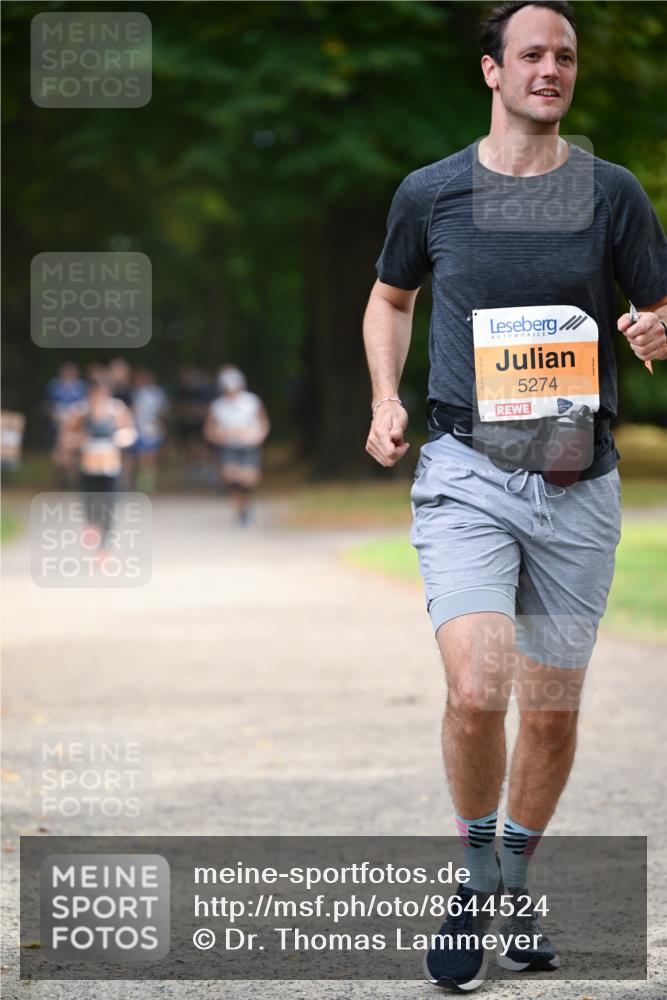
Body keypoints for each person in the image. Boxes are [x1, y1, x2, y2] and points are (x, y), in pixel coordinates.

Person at [364, 1, 667, 991]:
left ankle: (511, 874)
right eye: (532, 53)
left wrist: (658, 331)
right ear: (491, 71)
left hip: (578, 481)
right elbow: (389, 298)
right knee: (476, 689)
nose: (551, 68)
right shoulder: (432, 192)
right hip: (465, 470)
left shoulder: (612, 194)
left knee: (546, 712)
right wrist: (382, 396)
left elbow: (657, 307)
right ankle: (472, 879)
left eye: (566, 56)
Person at [65, 378, 136, 559]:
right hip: (88, 466)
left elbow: (130, 432)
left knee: (109, 507)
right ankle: (92, 525)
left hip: (110, 467)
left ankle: (104, 549)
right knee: (89, 504)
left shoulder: (116, 410)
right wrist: (79, 440)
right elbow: (66, 437)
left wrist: (121, 438)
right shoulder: (80, 411)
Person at [203, 365, 270, 525]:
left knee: (249, 479)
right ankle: (238, 512)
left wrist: (258, 436)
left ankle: (246, 506)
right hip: (229, 446)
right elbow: (209, 429)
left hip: (249, 445)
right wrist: (221, 437)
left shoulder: (252, 401)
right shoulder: (217, 406)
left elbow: (263, 422)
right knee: (232, 477)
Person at [44, 362, 87, 488]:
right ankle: (60, 482)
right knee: (57, 456)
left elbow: (85, 406)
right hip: (57, 426)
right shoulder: (53, 386)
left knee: (73, 456)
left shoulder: (82, 387)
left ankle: (74, 483)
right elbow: (48, 405)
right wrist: (55, 417)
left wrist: (75, 421)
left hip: (75, 427)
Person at [128, 368, 169, 493]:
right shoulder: (134, 392)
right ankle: (134, 482)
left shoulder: (157, 393)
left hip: (151, 428)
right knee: (137, 457)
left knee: (150, 456)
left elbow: (164, 409)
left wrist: (158, 421)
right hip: (136, 428)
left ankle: (146, 484)